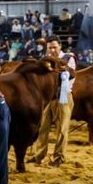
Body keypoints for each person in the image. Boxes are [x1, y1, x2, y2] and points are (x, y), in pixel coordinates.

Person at [30, 36, 75, 167]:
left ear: (60, 46)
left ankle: (59, 156)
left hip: (64, 96)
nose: (52, 50)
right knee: (42, 127)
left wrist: (59, 65)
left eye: (55, 47)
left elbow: (72, 75)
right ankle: (39, 155)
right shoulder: (44, 60)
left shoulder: (68, 59)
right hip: (47, 97)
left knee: (62, 128)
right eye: (50, 47)